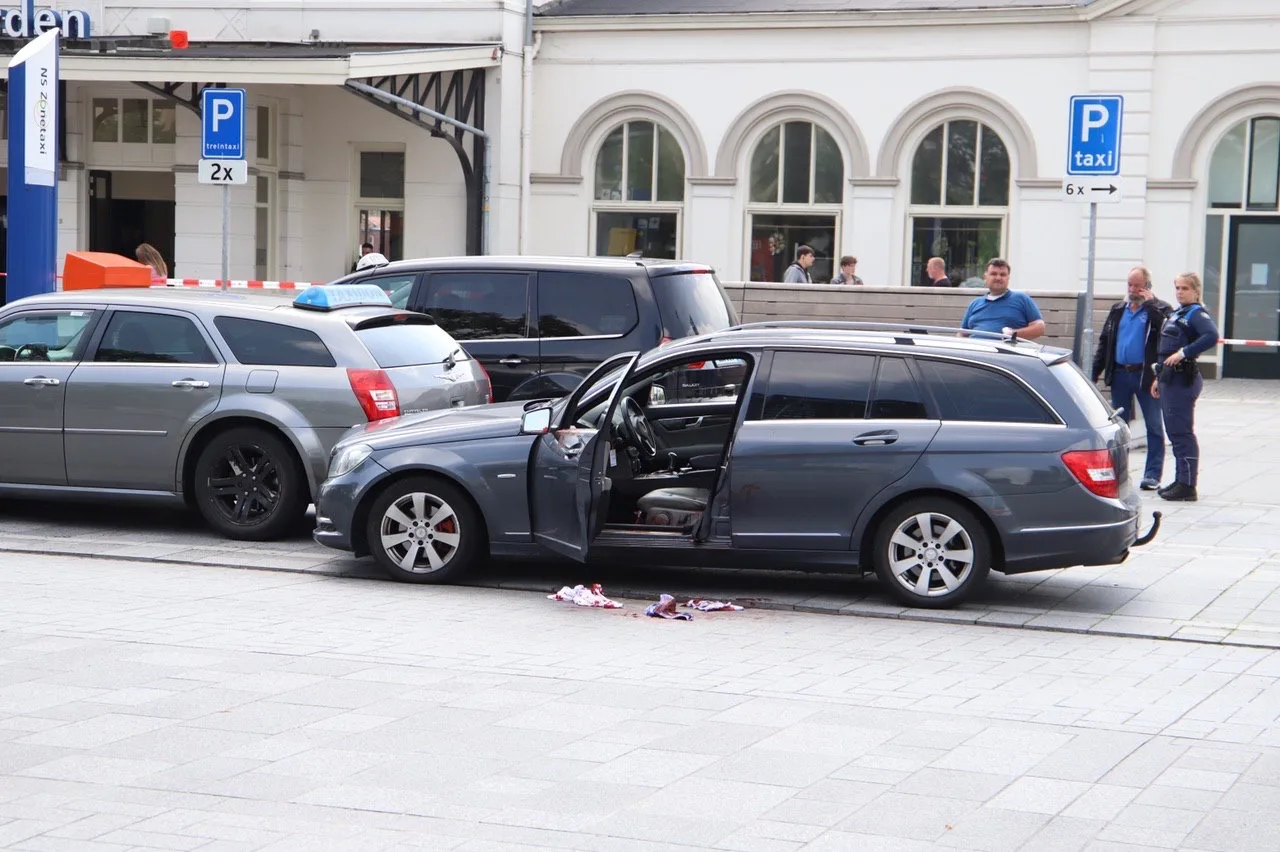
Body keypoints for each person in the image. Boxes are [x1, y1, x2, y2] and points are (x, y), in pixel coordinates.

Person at [1092, 266, 1173, 490]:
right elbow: (1105, 342)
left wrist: (1151, 305)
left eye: (1138, 285)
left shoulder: (1159, 309)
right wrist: (1094, 373)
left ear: (1147, 287)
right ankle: (1118, 472)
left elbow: (1167, 330)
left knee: (1154, 425)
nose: (1133, 289)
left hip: (1146, 375)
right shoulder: (1119, 309)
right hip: (1120, 373)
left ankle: (1152, 475)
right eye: (1130, 284)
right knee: (1119, 426)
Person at [1150, 272, 1219, 502]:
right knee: (1175, 432)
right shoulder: (1178, 313)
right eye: (1177, 288)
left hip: (1182, 380)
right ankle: (1181, 479)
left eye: (1185, 288)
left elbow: (1211, 336)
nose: (1180, 292)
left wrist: (1184, 353)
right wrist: (1158, 377)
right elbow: (1164, 350)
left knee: (1181, 433)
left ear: (1196, 291)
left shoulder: (1196, 314)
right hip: (1169, 378)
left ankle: (1187, 485)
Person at [959, 258, 1045, 339]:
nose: (998, 278)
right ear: (985, 277)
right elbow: (962, 334)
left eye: (1003, 274)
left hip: (1004, 352)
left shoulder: (1021, 299)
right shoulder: (975, 303)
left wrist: (1012, 334)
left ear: (1008, 278)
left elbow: (1039, 327)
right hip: (976, 351)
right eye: (993, 274)